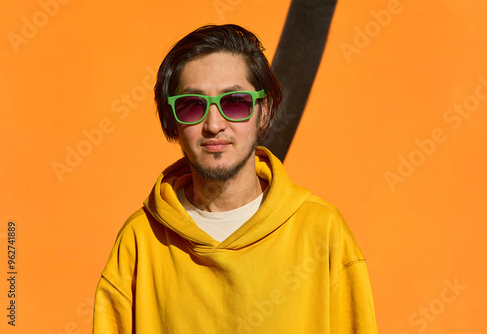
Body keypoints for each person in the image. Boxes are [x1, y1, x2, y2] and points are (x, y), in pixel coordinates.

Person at [93, 24, 378, 333]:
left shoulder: (323, 232)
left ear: (264, 111)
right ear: (172, 122)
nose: (214, 125)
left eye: (235, 103)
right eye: (192, 106)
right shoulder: (140, 241)